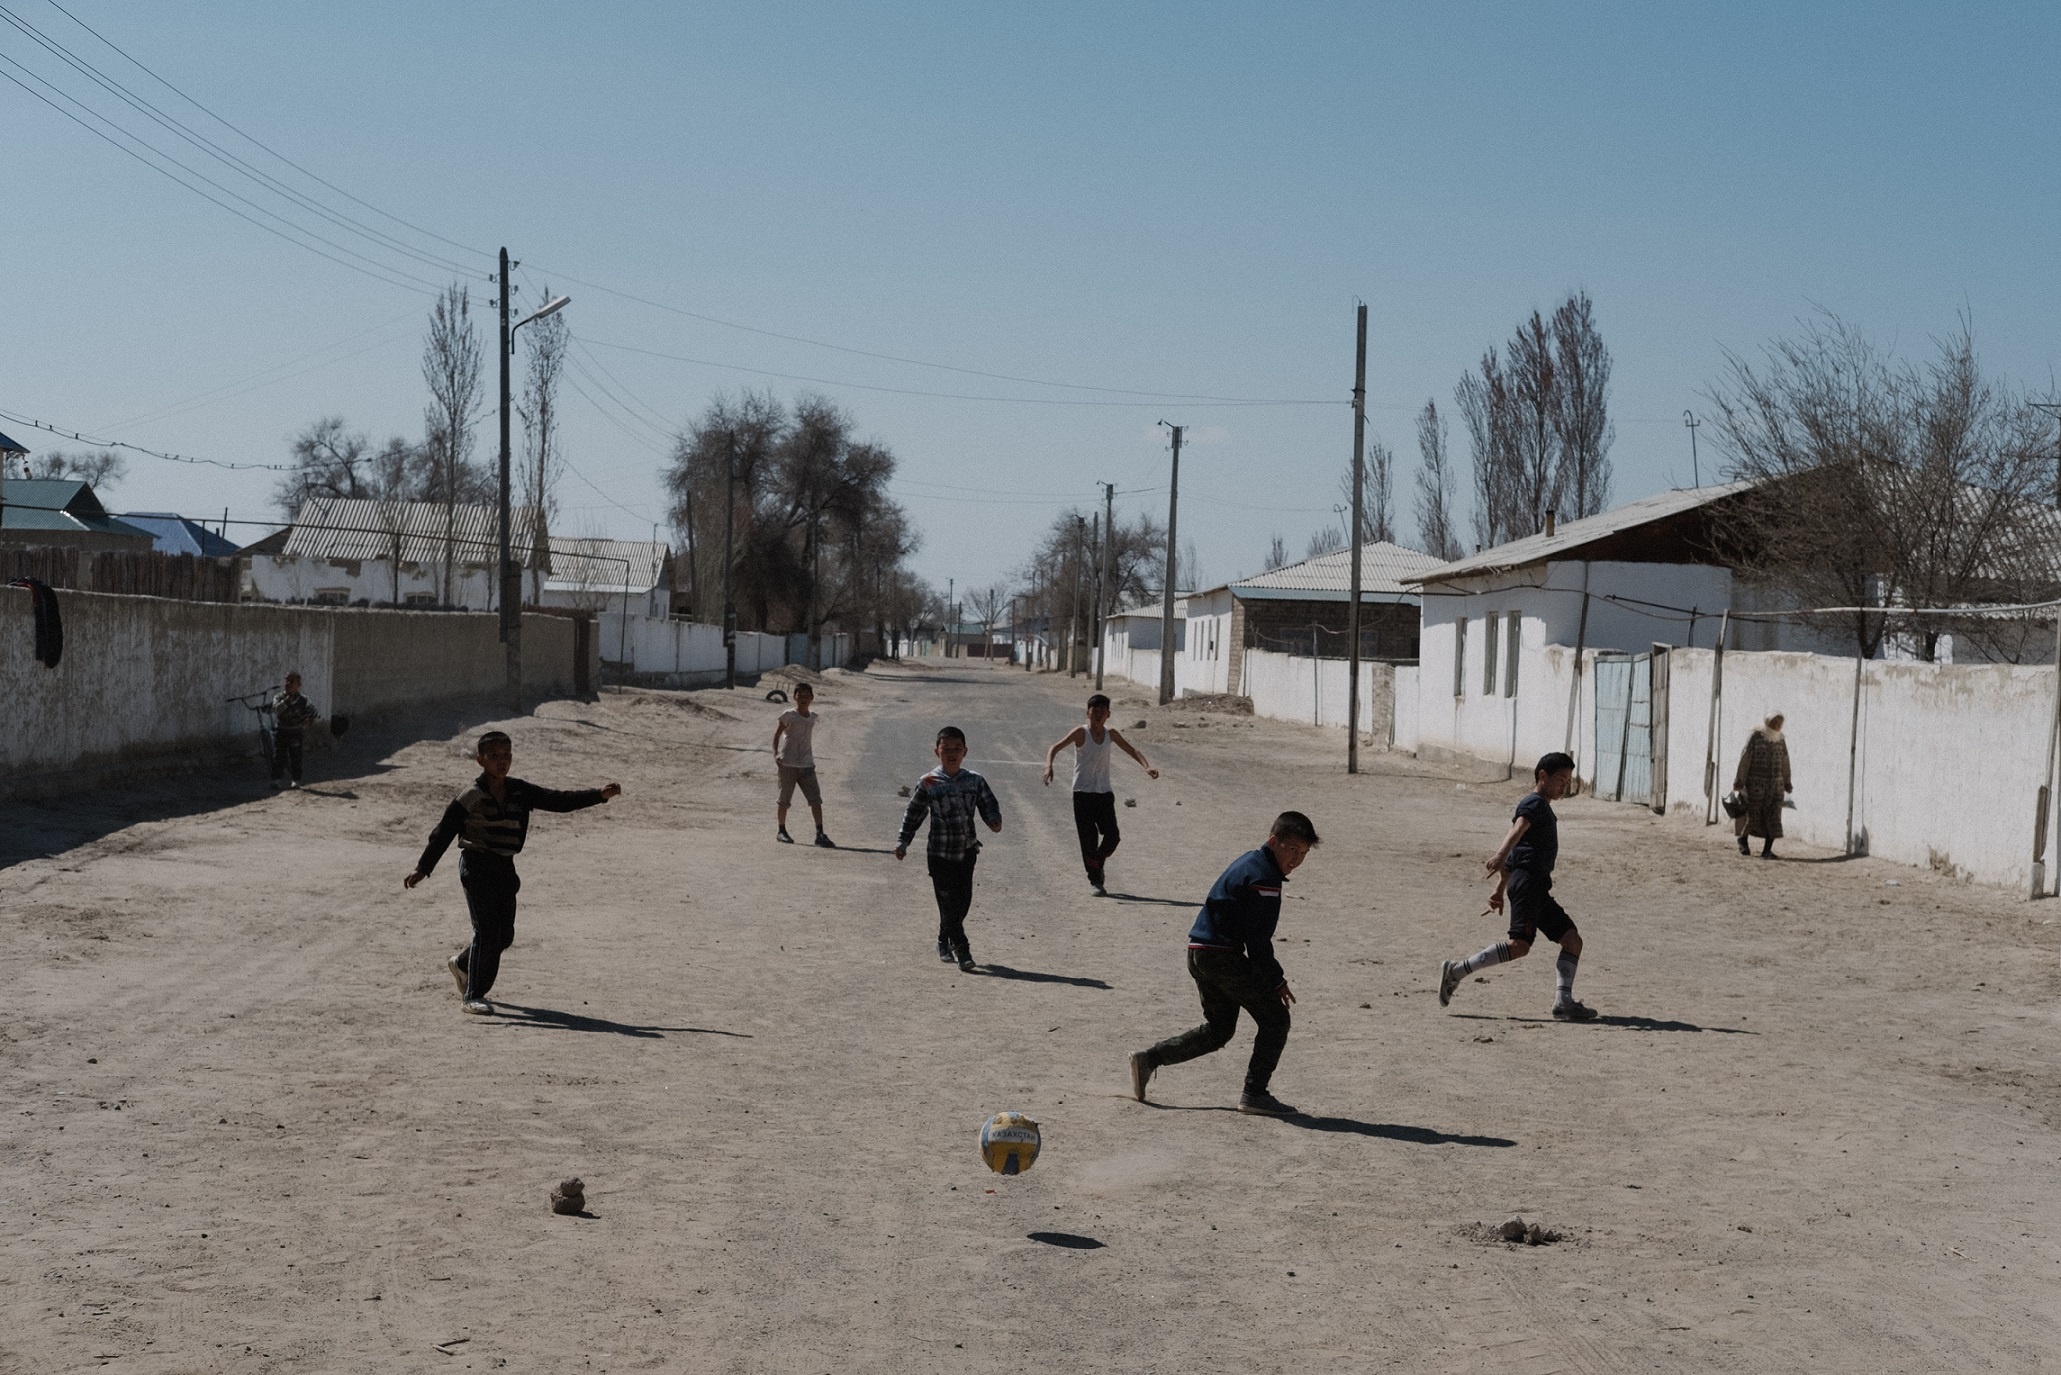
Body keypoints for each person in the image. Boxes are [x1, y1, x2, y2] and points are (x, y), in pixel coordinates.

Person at [403, 730, 622, 1015]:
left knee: (504, 935)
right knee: (487, 931)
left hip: (505, 867)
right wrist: (423, 868)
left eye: (505, 755)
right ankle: (473, 995)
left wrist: (598, 796)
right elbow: (443, 832)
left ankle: (462, 964)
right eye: (493, 756)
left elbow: (558, 800)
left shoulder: (519, 790)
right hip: (477, 865)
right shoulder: (471, 795)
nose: (501, 761)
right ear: (480, 760)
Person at [1126, 811, 1319, 1117]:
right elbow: (1257, 942)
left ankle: (1149, 1059)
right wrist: (1276, 980)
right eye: (1292, 849)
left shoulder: (1252, 861)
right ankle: (1255, 1093)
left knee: (1220, 1030)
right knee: (1276, 1020)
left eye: (1304, 853)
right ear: (1274, 842)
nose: (1296, 859)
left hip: (1198, 951)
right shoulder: (1264, 878)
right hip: (1220, 956)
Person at [1437, 751, 1597, 1022]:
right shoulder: (1534, 803)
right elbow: (1518, 830)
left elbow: (1518, 853)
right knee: (1519, 946)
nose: (1564, 786)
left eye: (1568, 781)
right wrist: (1499, 854)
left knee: (1572, 940)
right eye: (1561, 779)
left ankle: (1563, 1003)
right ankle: (1456, 971)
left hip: (1535, 887)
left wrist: (1500, 888)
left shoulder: (1543, 807)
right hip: (1528, 885)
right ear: (1542, 776)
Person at [895, 725, 1003, 972]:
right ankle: (962, 948)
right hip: (939, 853)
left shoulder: (974, 780)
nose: (952, 754)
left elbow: (988, 803)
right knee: (947, 901)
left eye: (957, 749)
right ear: (937, 751)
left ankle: (944, 939)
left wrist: (993, 820)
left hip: (966, 852)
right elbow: (914, 813)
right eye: (946, 749)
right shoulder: (929, 782)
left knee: (962, 902)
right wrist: (903, 840)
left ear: (965, 751)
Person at [1042, 692, 1158, 895]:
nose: (1097, 715)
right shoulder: (1081, 733)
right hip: (1082, 793)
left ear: (1108, 715)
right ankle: (1095, 881)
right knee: (1088, 840)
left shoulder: (1111, 734)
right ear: (1087, 713)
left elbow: (1132, 750)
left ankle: (1098, 861)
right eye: (1094, 711)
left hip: (1104, 792)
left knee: (1112, 836)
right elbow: (1055, 747)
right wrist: (1048, 766)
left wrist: (1146, 767)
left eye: (1102, 712)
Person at [773, 682, 834, 847]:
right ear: (794, 697)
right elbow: (777, 734)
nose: (803, 699)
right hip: (788, 765)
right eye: (800, 696)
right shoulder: (788, 715)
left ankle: (820, 833)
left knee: (816, 800)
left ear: (812, 698)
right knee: (784, 800)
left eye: (807, 696)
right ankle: (781, 831)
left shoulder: (813, 717)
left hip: (807, 765)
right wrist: (776, 754)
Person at [1733, 714, 1793, 859]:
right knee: (1752, 814)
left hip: (1775, 786)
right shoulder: (1756, 736)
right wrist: (1740, 780)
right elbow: (1746, 757)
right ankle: (1743, 840)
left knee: (1774, 817)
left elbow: (1785, 761)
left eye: (1779, 724)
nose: (1777, 727)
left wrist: (1787, 781)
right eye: (1774, 724)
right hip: (1755, 785)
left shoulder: (1780, 740)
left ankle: (1767, 850)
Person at [270, 672, 320, 789]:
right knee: (279, 757)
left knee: (296, 757)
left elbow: (315, 713)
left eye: (292, 682)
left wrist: (309, 719)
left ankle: (296, 780)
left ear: (299, 684)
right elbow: (276, 710)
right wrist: (287, 700)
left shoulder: (304, 700)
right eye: (286, 681)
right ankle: (276, 780)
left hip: (295, 732)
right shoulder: (279, 697)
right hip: (281, 731)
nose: (288, 684)